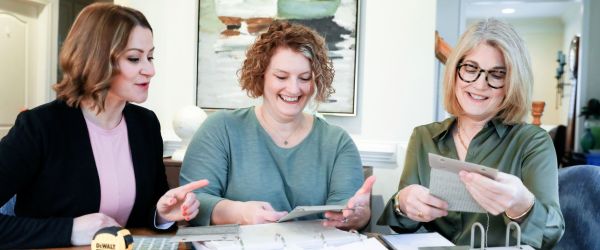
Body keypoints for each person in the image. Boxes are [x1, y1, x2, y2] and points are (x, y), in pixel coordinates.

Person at [0, 3, 207, 248]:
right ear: (96, 58)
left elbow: (143, 213)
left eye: (150, 56)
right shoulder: (40, 127)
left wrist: (161, 215)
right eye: (134, 58)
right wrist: (70, 230)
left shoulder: (145, 124)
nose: (151, 70)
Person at [377, 19, 564, 249]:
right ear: (455, 71)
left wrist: (522, 204)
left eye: (496, 74)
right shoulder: (423, 137)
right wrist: (402, 204)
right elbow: (402, 227)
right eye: (470, 69)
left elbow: (552, 236)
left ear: (512, 82)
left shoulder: (532, 142)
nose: (479, 84)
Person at [180, 21, 375, 230]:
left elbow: (348, 213)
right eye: (281, 76)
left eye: (304, 78)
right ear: (261, 74)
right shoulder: (220, 129)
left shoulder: (337, 142)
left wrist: (358, 216)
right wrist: (241, 213)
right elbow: (193, 201)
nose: (293, 88)